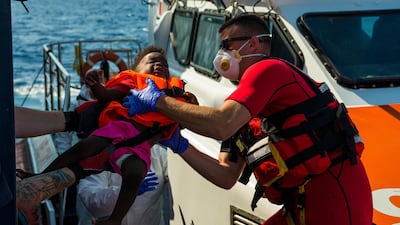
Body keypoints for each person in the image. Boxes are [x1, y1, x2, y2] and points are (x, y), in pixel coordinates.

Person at [122, 15, 373, 225]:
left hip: (336, 195)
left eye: (227, 44)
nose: (221, 53)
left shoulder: (267, 69)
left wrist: (158, 102)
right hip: (300, 202)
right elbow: (226, 175)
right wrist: (179, 144)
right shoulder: (243, 109)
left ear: (253, 44)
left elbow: (221, 124)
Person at [17, 45, 196, 225]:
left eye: (164, 64)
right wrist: (95, 86)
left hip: (140, 148)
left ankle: (114, 220)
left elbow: (189, 118)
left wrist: (188, 105)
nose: (159, 65)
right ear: (135, 71)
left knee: (135, 172)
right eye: (152, 61)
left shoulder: (176, 97)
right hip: (118, 132)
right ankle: (39, 175)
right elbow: (106, 95)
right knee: (82, 148)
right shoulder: (132, 83)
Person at [76, 144, 172, 225]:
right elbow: (91, 200)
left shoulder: (157, 154)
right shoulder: (99, 156)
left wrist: (181, 151)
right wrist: (127, 190)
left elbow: (178, 176)